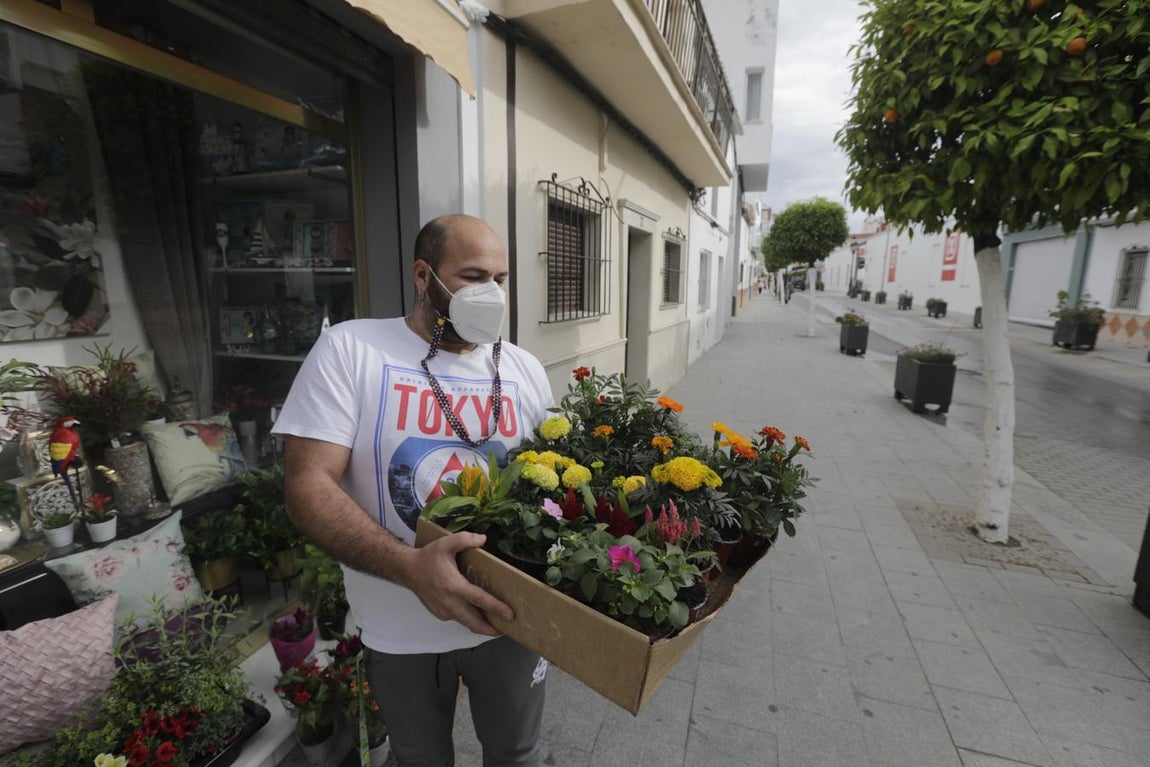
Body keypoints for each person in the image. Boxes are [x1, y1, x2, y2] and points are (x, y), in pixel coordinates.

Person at [273, 214, 554, 767]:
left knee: (518, 754)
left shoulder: (524, 368)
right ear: (424, 276)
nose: (492, 293)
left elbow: (555, 484)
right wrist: (410, 569)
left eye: (500, 279)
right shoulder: (351, 350)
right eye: (473, 276)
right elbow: (307, 485)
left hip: (510, 622)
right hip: (399, 632)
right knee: (419, 758)